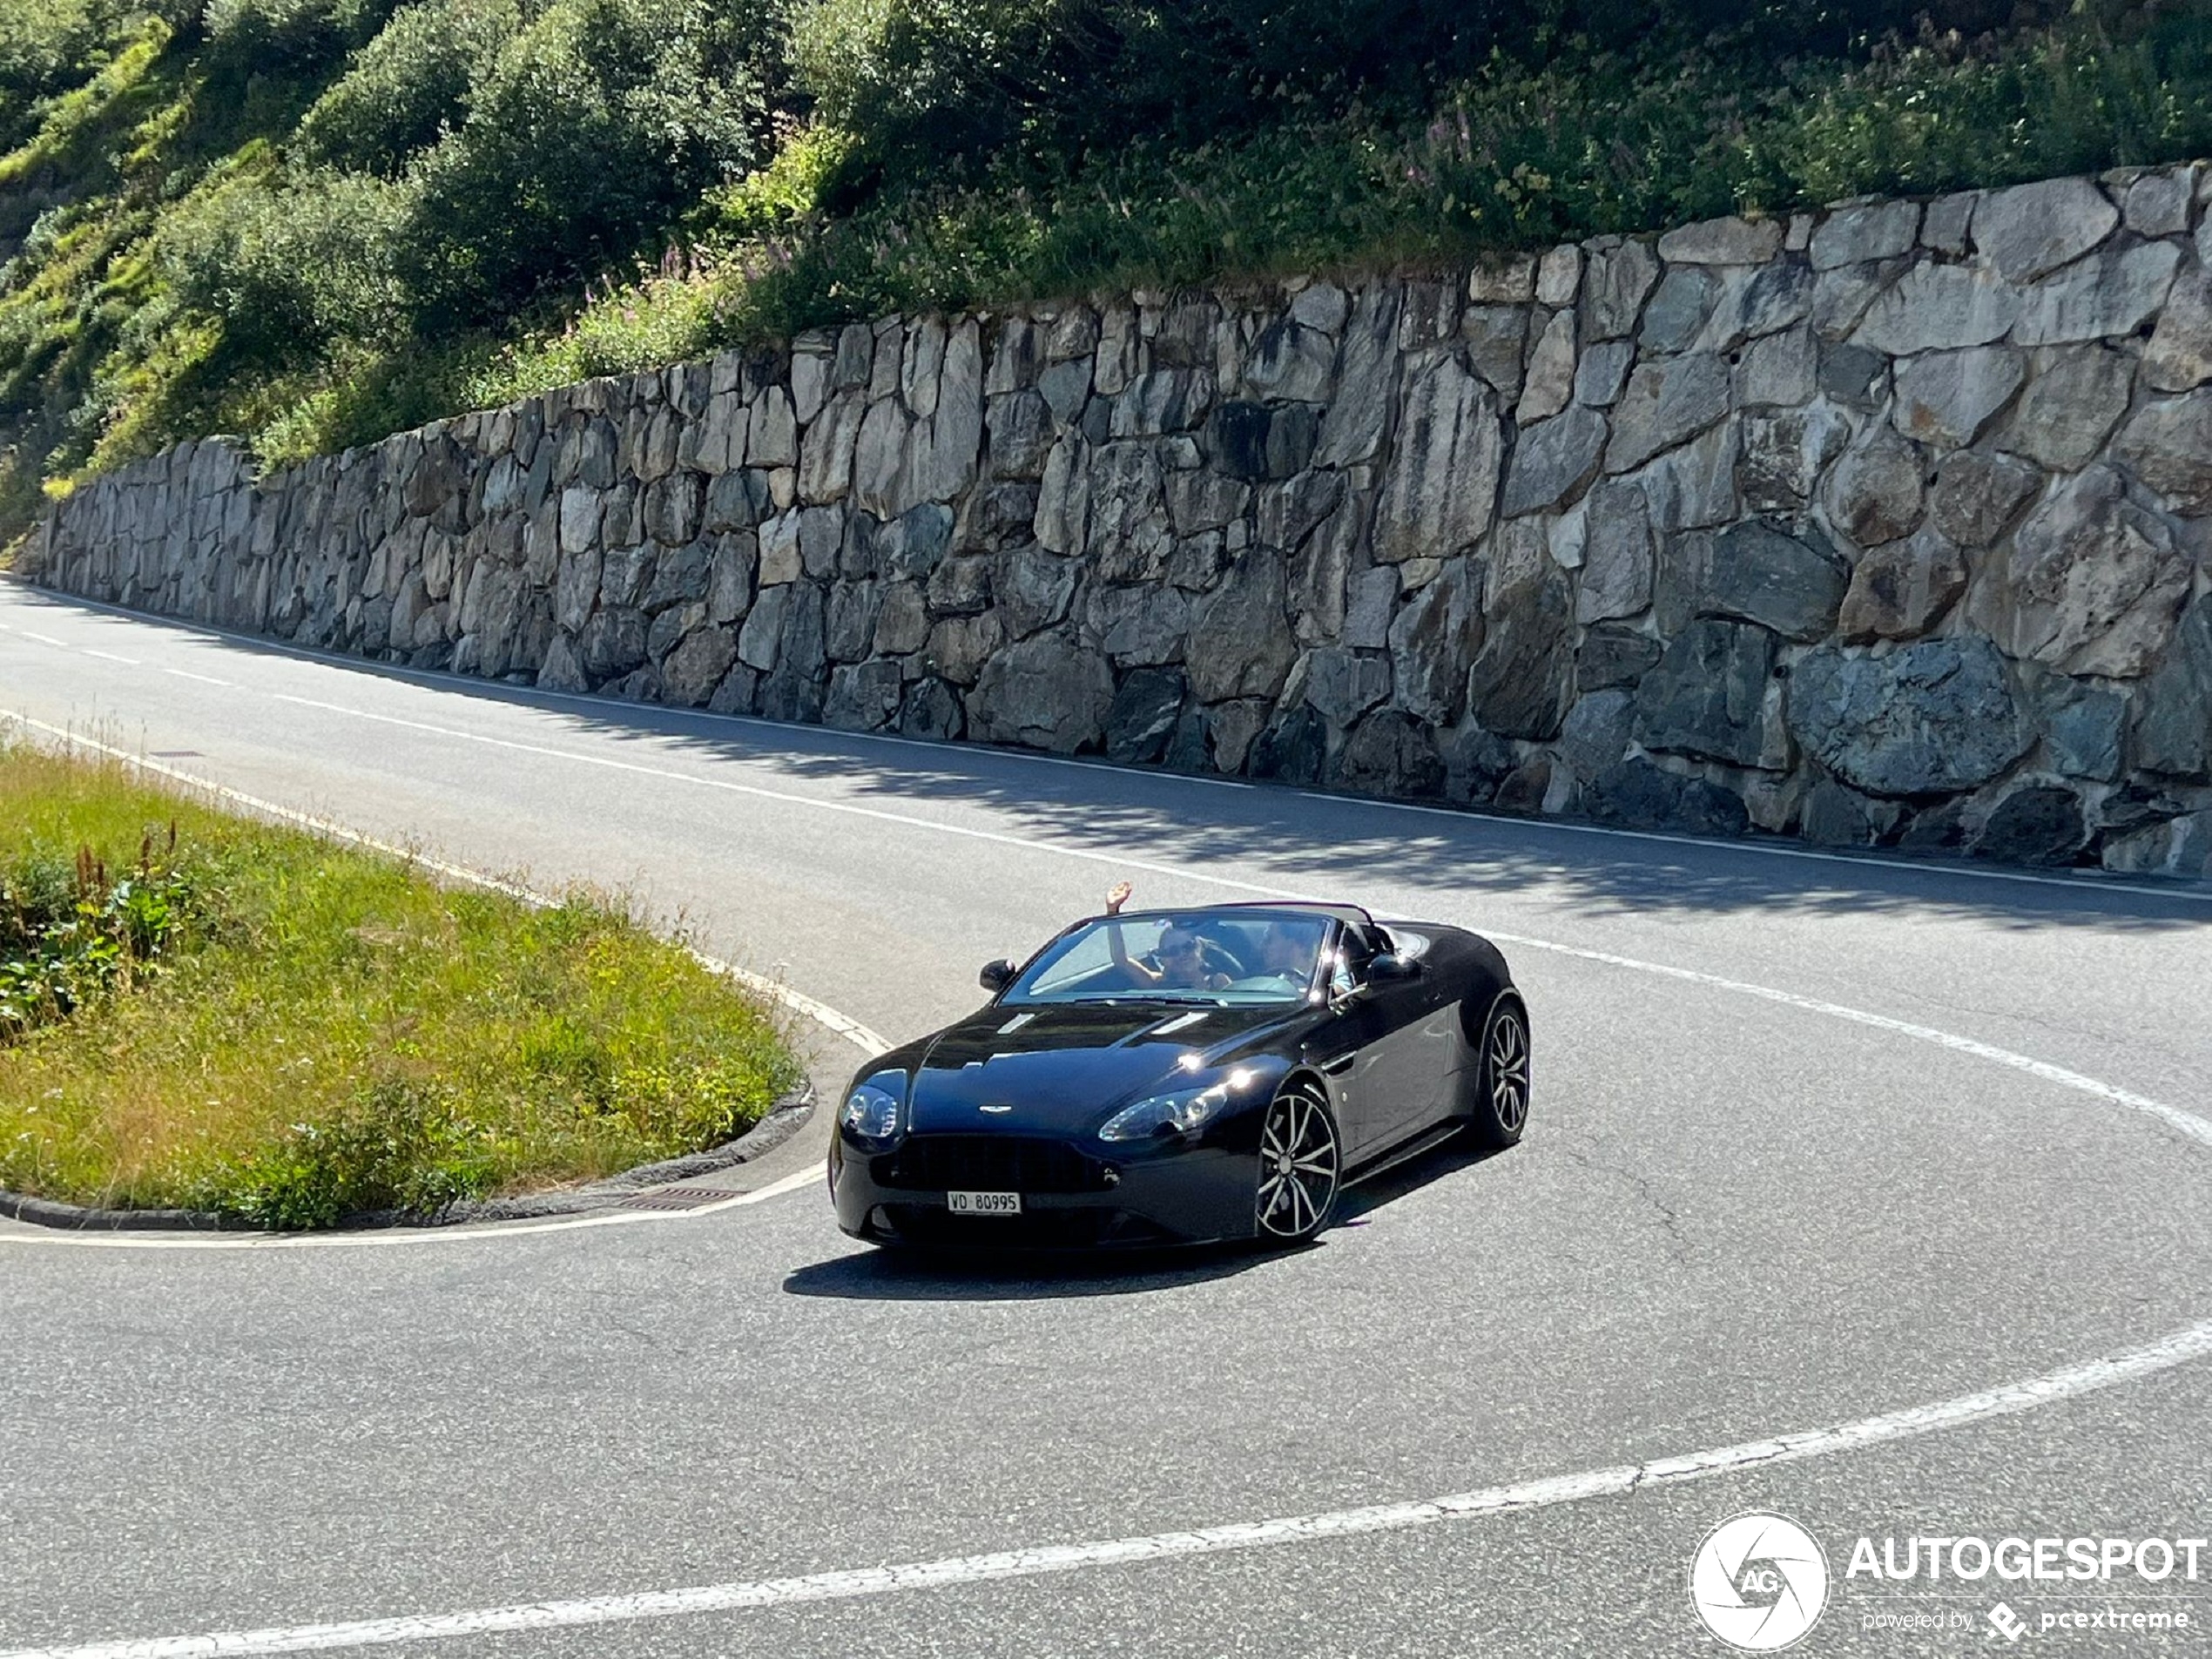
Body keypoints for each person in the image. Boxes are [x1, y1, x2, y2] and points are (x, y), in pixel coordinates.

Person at [1100, 881, 1229, 991]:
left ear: (1199, 948)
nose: (1182, 954)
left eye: (1188, 946)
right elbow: (1121, 960)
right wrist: (1112, 912)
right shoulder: (1157, 984)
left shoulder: (1217, 982)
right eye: (1172, 951)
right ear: (1162, 960)